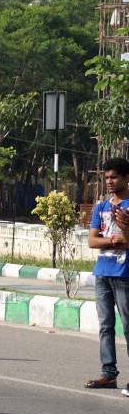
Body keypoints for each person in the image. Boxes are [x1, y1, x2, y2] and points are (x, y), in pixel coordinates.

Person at [86, 157, 129, 393]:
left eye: (114, 177)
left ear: (126, 178)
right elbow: (92, 241)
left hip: (125, 274)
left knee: (128, 326)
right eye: (106, 178)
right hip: (102, 273)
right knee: (105, 326)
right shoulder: (101, 207)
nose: (109, 182)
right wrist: (115, 239)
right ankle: (108, 374)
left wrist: (124, 238)